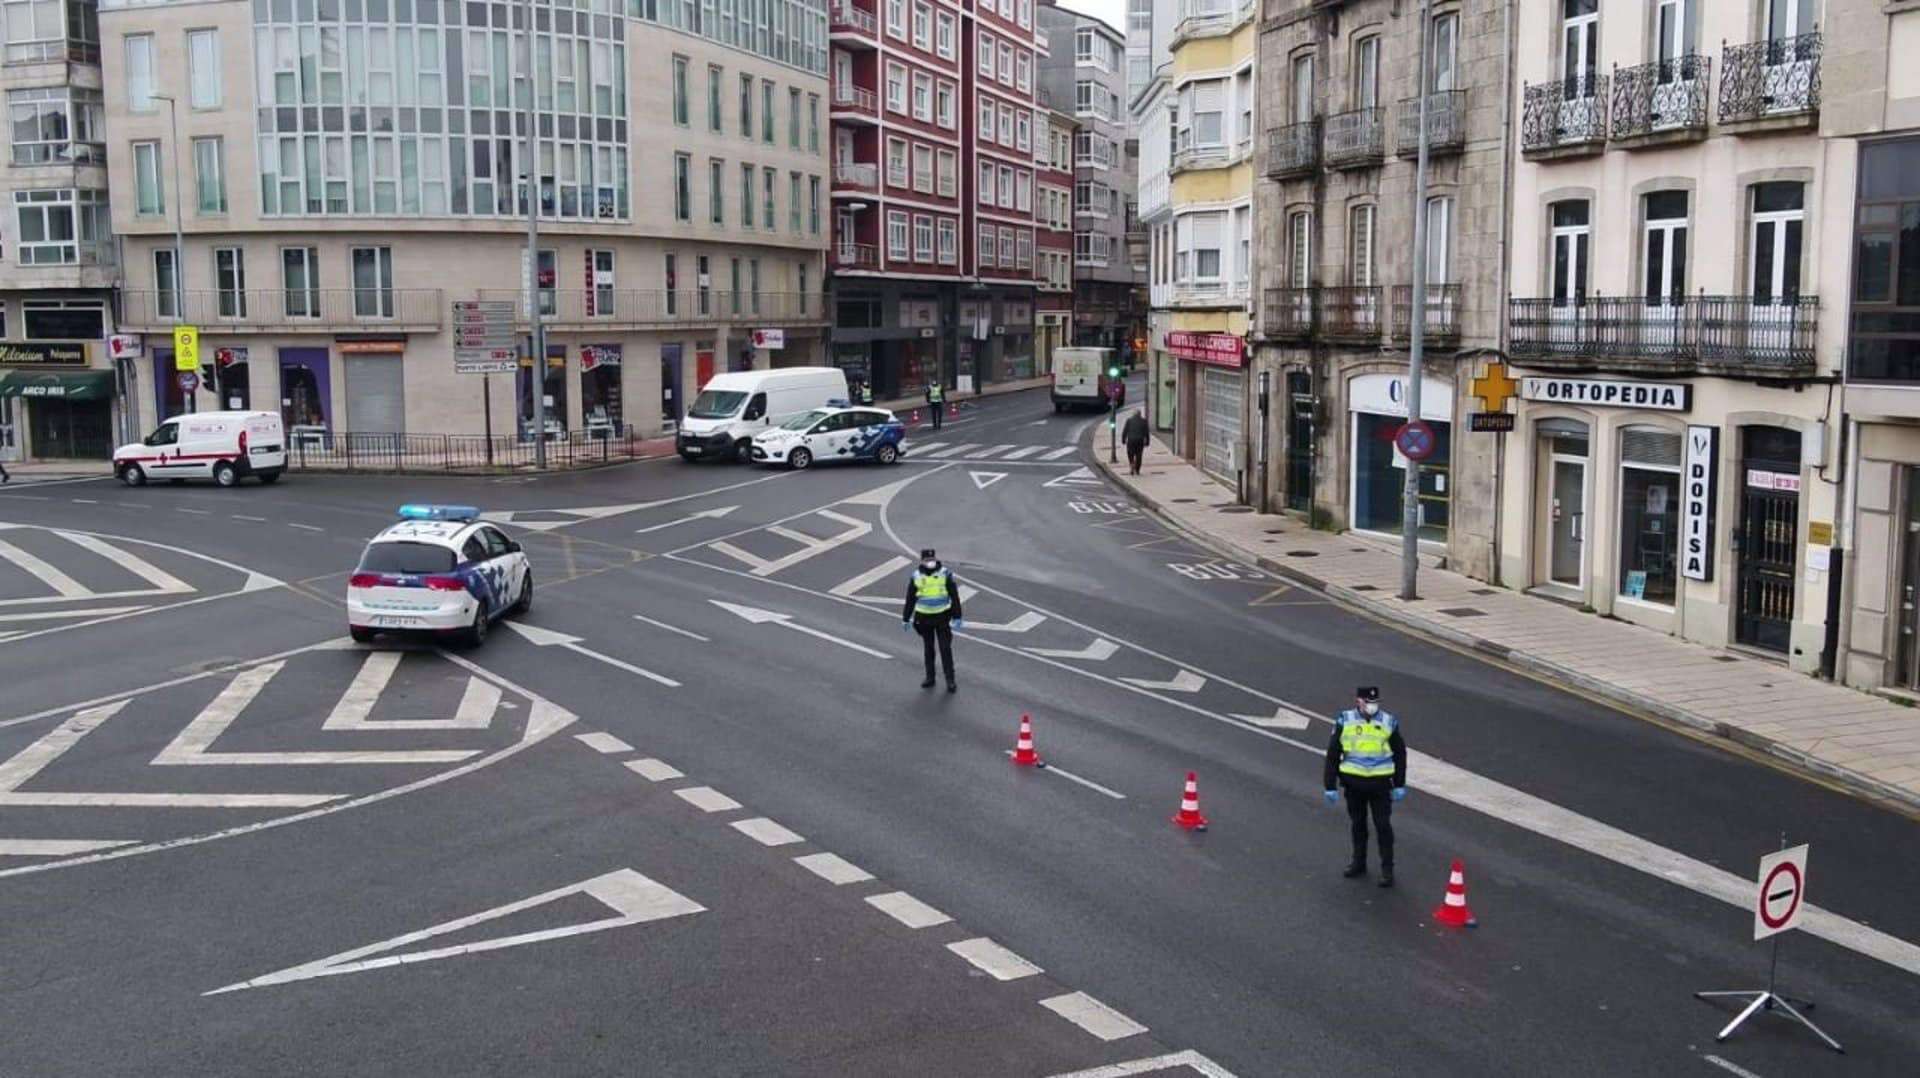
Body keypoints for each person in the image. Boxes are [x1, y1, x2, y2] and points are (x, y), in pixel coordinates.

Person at [1323, 686, 1407, 887]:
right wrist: (1330, 785)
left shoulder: (1388, 722)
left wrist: (1399, 783)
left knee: (1383, 826)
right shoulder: (1345, 720)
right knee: (1358, 824)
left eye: (1375, 702)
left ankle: (1387, 870)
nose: (1372, 706)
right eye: (1368, 702)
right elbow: (1333, 753)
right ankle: (1358, 862)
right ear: (1358, 701)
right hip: (1354, 784)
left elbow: (1400, 753)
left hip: (1380, 784)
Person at [901, 547, 964, 691]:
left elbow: (954, 596)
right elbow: (910, 598)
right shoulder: (916, 576)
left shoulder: (944, 574)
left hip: (942, 617)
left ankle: (950, 680)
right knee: (928, 649)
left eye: (932, 559)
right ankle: (930, 677)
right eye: (927, 560)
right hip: (924, 619)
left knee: (945, 649)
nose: (931, 562)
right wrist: (906, 618)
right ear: (922, 561)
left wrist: (957, 616)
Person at [1121, 410, 1150, 475]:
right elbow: (1146, 433)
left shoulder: (1129, 421)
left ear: (1133, 415)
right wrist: (1147, 442)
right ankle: (1137, 469)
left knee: (1130, 453)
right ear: (1140, 414)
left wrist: (1123, 440)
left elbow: (1125, 431)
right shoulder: (1144, 421)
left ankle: (1132, 464)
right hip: (1140, 440)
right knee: (1139, 455)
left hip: (1131, 440)